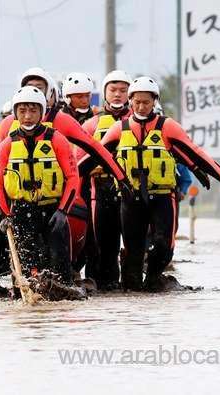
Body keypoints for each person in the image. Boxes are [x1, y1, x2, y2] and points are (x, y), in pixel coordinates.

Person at [79, 76, 220, 292]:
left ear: (154, 101)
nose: (141, 106)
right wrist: (71, 177)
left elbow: (196, 153)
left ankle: (154, 279)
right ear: (130, 101)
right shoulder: (119, 128)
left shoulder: (168, 126)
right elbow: (94, 156)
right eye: (136, 102)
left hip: (162, 197)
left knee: (164, 247)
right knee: (133, 252)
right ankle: (133, 298)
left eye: (146, 102)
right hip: (131, 198)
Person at [0, 86, 79, 284]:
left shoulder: (57, 140)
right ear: (15, 114)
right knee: (26, 262)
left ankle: (61, 294)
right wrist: (4, 215)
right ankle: (26, 295)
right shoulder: (7, 145)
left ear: (41, 112)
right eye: (22, 111)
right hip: (22, 211)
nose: (28, 116)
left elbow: (73, 178)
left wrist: (63, 211)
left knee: (58, 265)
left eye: (33, 111)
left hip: (53, 211)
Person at [0, 67, 129, 185]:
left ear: (48, 92)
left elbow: (96, 149)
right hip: (17, 201)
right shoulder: (7, 124)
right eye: (29, 86)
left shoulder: (62, 121)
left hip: (55, 199)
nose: (33, 90)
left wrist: (122, 179)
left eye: (39, 87)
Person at [78, 70, 133, 290]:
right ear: (104, 93)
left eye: (123, 90)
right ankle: (101, 287)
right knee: (101, 244)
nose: (118, 95)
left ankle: (131, 285)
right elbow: (78, 162)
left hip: (131, 190)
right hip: (100, 189)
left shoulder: (139, 122)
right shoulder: (91, 124)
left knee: (132, 243)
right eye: (113, 90)